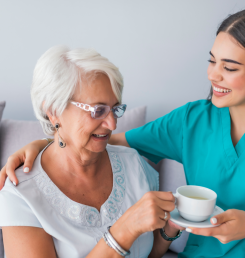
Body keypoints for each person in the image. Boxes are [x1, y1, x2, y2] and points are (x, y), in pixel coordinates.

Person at [1, 6, 245, 258]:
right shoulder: (192, 120)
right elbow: (106, 137)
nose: (214, 76)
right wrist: (44, 141)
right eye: (212, 61)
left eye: (229, 67)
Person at [0, 46, 182, 258]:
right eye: (98, 110)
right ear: (54, 111)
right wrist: (124, 230)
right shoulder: (20, 192)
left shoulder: (134, 164)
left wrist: (171, 228)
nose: (112, 124)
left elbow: (149, 253)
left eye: (115, 109)